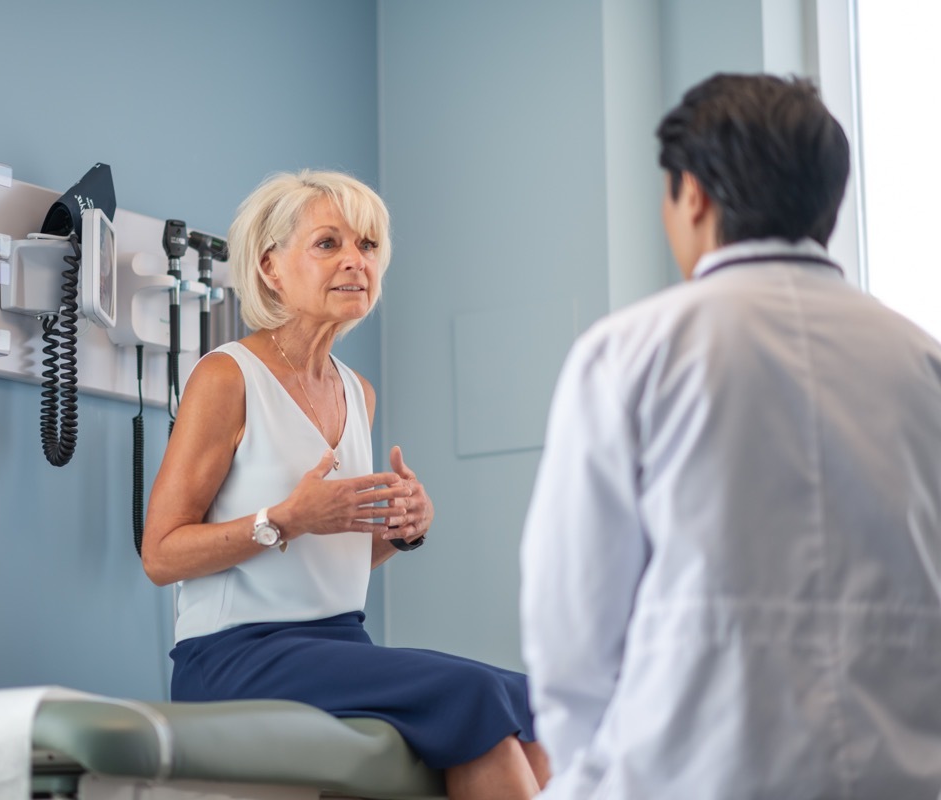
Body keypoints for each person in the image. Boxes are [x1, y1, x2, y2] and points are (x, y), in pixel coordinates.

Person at [520, 73, 941, 799]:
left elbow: (573, 621)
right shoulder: (921, 361)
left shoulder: (632, 352)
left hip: (688, 775)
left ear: (693, 196)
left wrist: (588, 776)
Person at [144, 169, 550, 799]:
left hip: (337, 641)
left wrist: (401, 531)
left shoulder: (357, 393)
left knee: (530, 704)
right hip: (233, 656)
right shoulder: (227, 378)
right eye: (328, 244)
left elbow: (333, 558)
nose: (356, 261)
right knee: (473, 696)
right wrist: (286, 517)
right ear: (271, 267)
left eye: (367, 245)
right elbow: (161, 554)